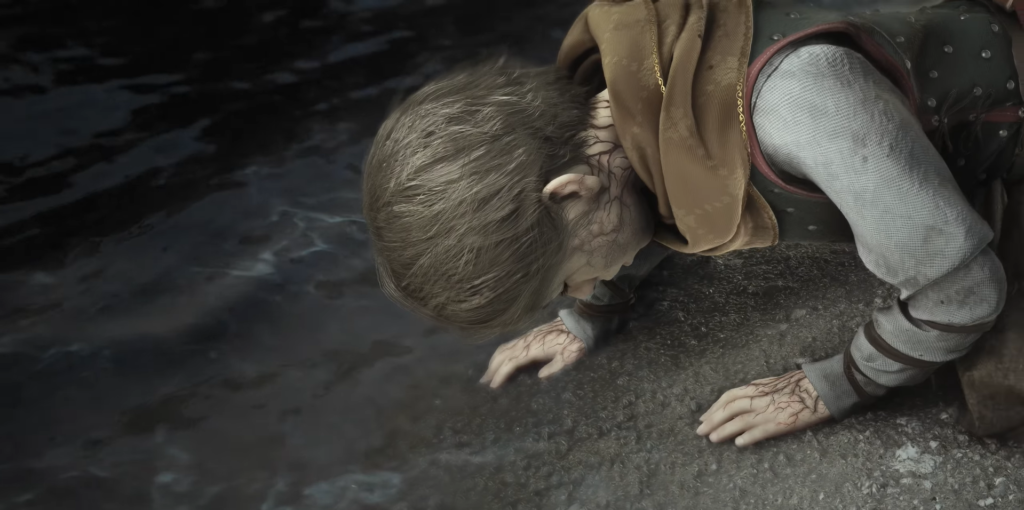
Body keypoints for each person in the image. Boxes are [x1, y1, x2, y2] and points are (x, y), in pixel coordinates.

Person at [363, 0, 1024, 445]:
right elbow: (635, 195)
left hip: (1005, 124)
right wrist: (586, 314)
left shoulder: (799, 107)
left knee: (993, 393)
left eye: (568, 280)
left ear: (569, 192)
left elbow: (962, 292)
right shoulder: (619, 91)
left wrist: (832, 383)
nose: (578, 288)